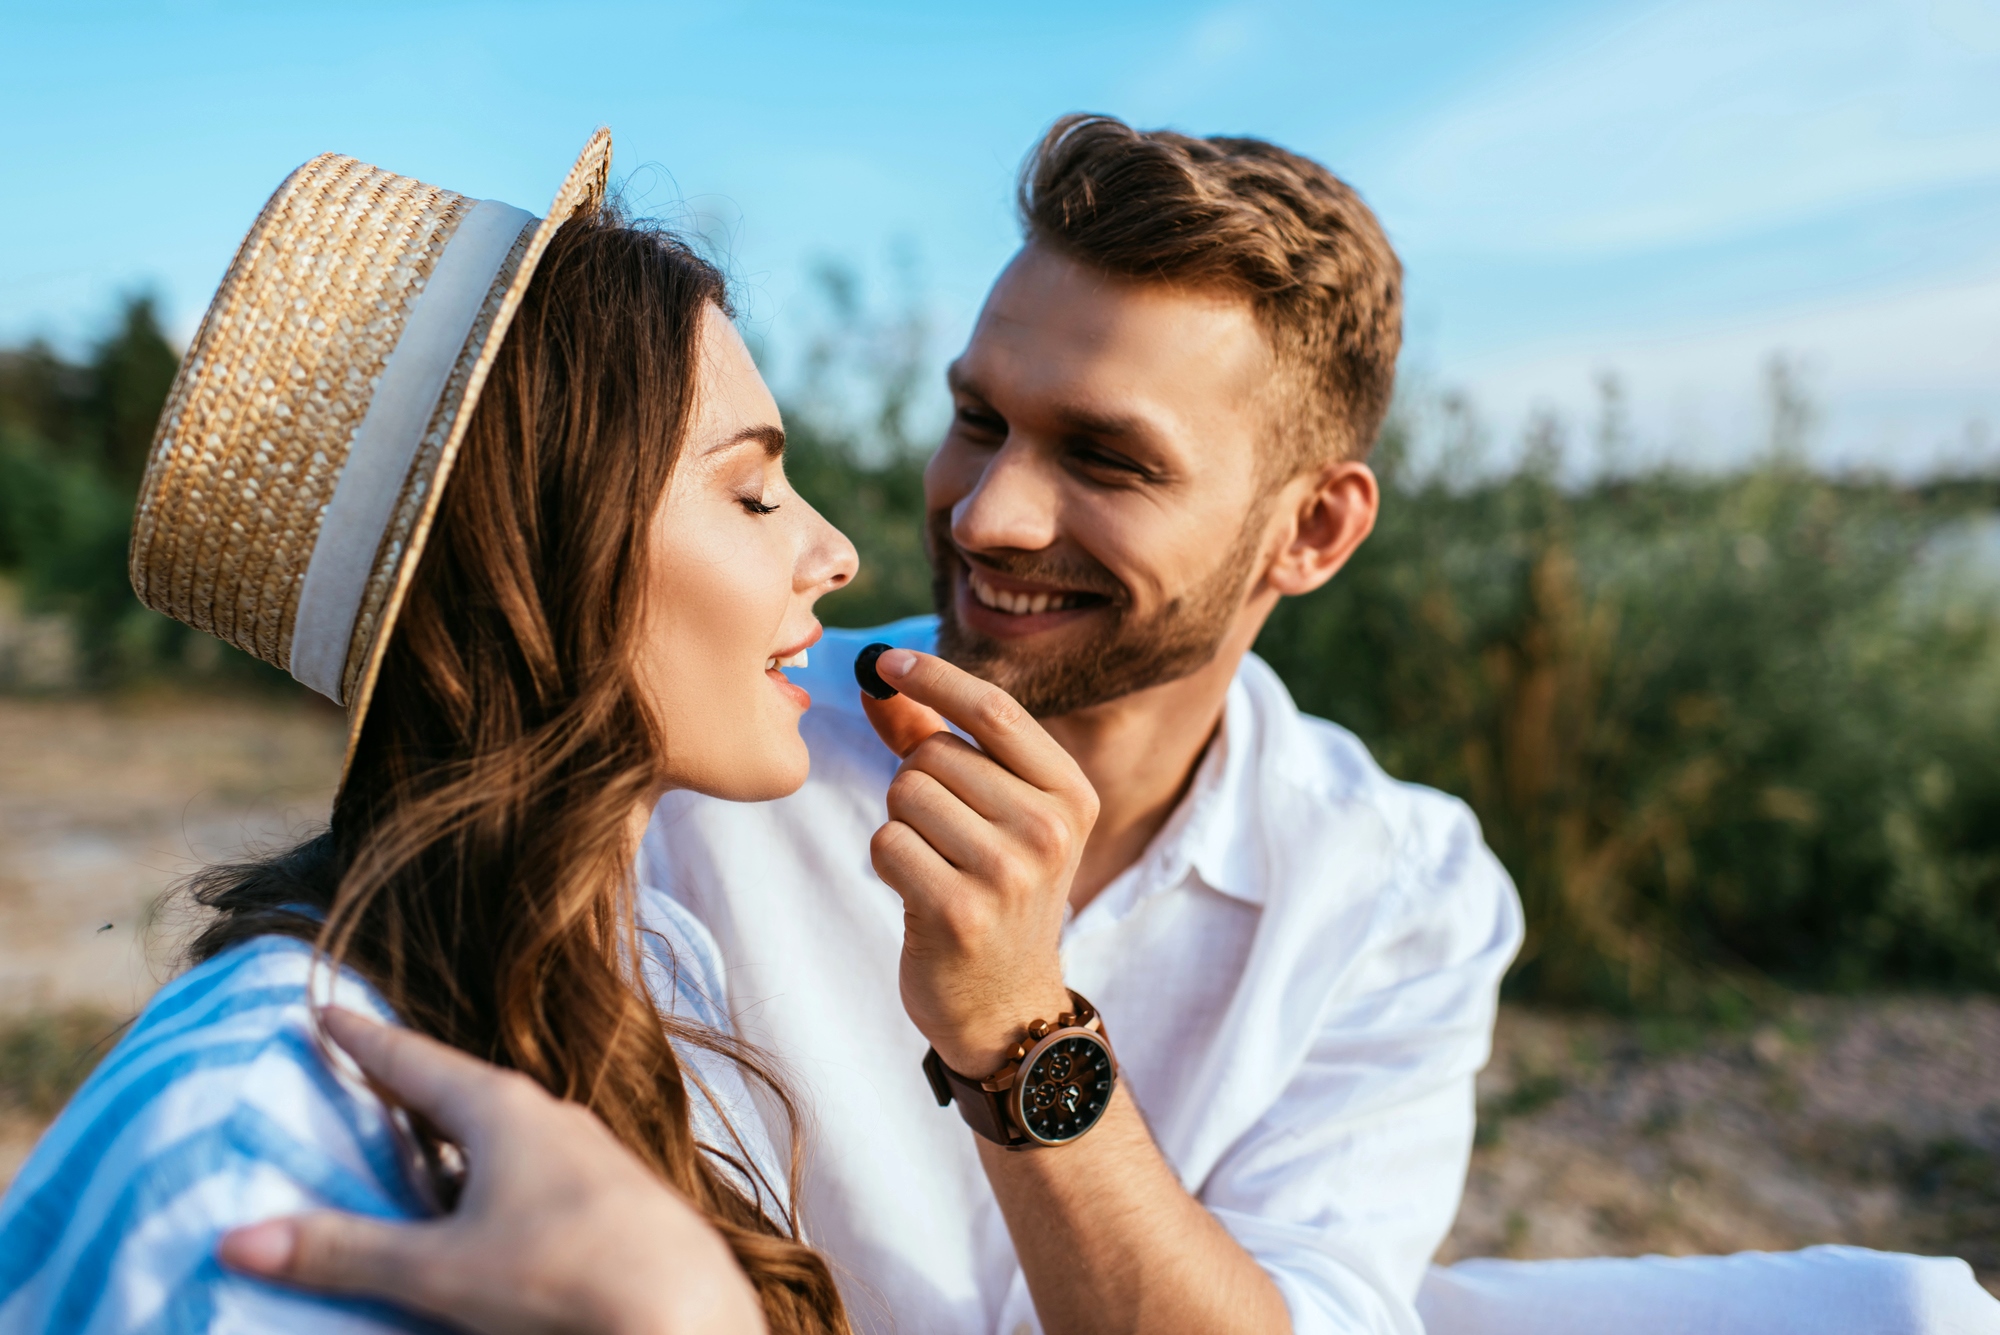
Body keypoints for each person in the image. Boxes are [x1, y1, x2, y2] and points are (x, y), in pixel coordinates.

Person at [0, 129, 906, 1334]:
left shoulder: (646, 959)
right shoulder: (247, 1159)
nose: (835, 553)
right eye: (749, 495)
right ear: (532, 551)